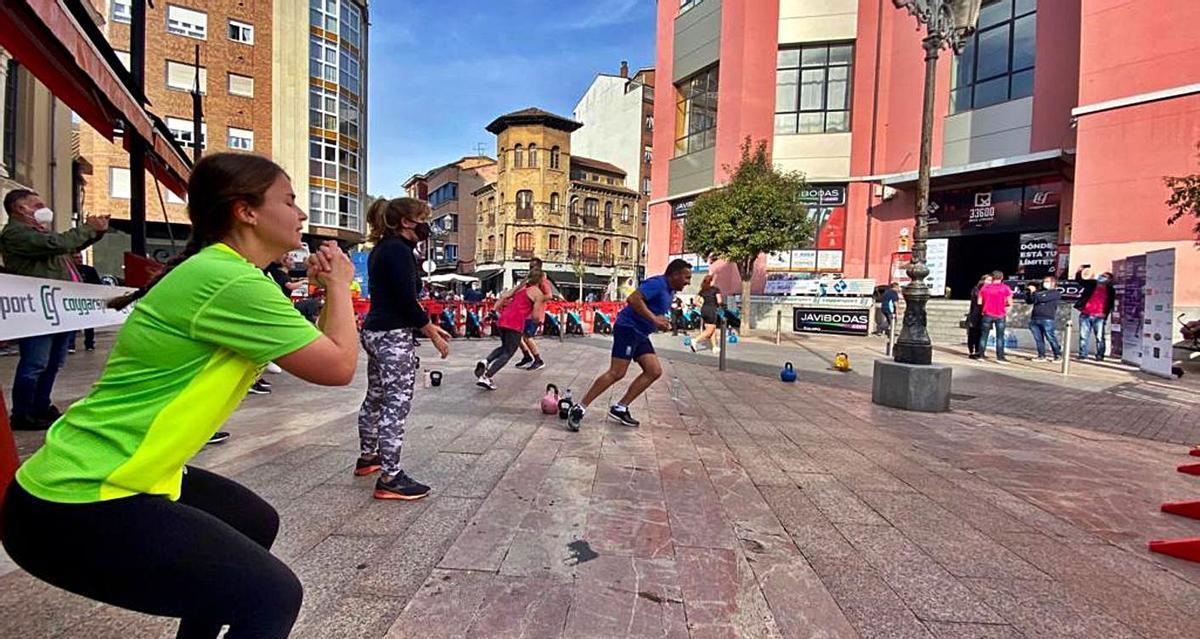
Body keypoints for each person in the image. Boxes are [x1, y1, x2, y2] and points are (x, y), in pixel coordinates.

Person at [0, 152, 361, 638]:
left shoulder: (227, 272)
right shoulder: (228, 279)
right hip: (76, 500)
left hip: (105, 476)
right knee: (271, 595)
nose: (301, 214)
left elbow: (317, 351)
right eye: (290, 200)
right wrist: (339, 285)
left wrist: (331, 290)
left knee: (251, 521)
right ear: (246, 211)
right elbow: (339, 367)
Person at [356, 197, 451, 501]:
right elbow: (405, 301)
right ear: (407, 222)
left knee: (375, 396)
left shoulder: (384, 248)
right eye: (424, 218)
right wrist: (431, 331)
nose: (428, 224)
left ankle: (369, 456)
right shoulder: (399, 250)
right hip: (392, 335)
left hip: (374, 330)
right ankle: (390, 477)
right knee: (395, 403)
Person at [0, 190, 109, 430]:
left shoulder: (38, 234)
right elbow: (57, 244)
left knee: (53, 362)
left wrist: (95, 232)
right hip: (39, 308)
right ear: (20, 209)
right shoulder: (16, 234)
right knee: (35, 362)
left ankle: (41, 406)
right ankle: (23, 412)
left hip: (57, 309)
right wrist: (88, 229)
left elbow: (64, 248)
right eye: (37, 204)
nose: (43, 207)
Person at [567, 259, 692, 430]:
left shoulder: (670, 291)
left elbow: (651, 309)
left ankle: (620, 407)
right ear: (675, 274)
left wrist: (660, 322)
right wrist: (654, 319)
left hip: (641, 333)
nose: (688, 282)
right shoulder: (658, 283)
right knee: (616, 373)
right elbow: (633, 299)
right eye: (686, 277)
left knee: (654, 371)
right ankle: (579, 408)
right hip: (628, 328)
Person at [475, 271, 548, 390]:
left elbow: (505, 296)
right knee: (508, 353)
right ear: (540, 281)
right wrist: (537, 320)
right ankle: (487, 377)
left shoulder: (521, 290)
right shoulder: (537, 294)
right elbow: (535, 316)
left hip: (503, 318)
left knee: (504, 347)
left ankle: (486, 361)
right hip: (515, 323)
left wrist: (492, 311)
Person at [509, 257, 552, 371]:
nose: (530, 269)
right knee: (517, 336)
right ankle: (526, 356)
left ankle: (538, 360)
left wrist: (535, 298)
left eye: (532, 267)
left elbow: (549, 295)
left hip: (535, 313)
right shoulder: (529, 281)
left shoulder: (542, 280)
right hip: (524, 312)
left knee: (528, 336)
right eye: (529, 266)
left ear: (538, 267)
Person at [1075, 269, 1115, 361]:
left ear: (1109, 280)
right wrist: (1080, 271)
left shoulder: (1110, 290)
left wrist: (1105, 315)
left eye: (1105, 277)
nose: (1102, 277)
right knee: (1083, 336)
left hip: (1099, 317)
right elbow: (1079, 281)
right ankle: (1083, 354)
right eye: (1102, 275)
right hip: (1086, 314)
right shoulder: (1092, 284)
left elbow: (1110, 304)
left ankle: (1100, 355)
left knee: (1099, 337)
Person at [975, 270, 1012, 361]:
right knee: (1000, 336)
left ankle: (981, 355)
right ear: (1002, 278)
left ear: (992, 277)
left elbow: (979, 302)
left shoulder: (984, 288)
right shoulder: (1005, 288)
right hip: (1000, 314)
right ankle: (1000, 357)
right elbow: (1010, 302)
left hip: (987, 314)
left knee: (984, 336)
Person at [1025, 275, 1063, 362]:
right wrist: (1029, 293)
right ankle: (1041, 355)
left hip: (1047, 319)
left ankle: (1057, 355)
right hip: (1035, 318)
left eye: (1047, 281)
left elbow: (1042, 298)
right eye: (1044, 281)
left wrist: (1034, 292)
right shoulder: (1040, 292)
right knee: (1038, 339)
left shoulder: (1055, 293)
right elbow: (1030, 301)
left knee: (1050, 337)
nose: (1044, 283)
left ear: (1053, 283)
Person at [71, 252, 103, 353]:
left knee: (89, 323)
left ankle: (89, 343)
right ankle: (70, 345)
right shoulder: (68, 271)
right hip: (73, 299)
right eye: (77, 257)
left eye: (80, 257)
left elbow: (97, 283)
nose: (79, 259)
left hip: (87, 299)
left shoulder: (89, 270)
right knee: (72, 322)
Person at [689, 274, 723, 352]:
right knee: (709, 330)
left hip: (704, 310)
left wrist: (701, 305)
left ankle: (714, 347)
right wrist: (719, 305)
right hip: (712, 310)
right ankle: (695, 340)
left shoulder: (703, 290)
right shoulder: (715, 289)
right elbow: (719, 301)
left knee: (711, 329)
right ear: (711, 281)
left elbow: (695, 301)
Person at [965, 274, 992, 357]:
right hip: (975, 314)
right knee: (973, 333)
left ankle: (979, 350)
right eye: (988, 280)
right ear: (983, 280)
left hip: (985, 314)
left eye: (991, 280)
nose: (989, 282)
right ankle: (971, 350)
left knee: (981, 333)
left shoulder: (990, 290)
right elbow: (978, 301)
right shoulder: (976, 289)